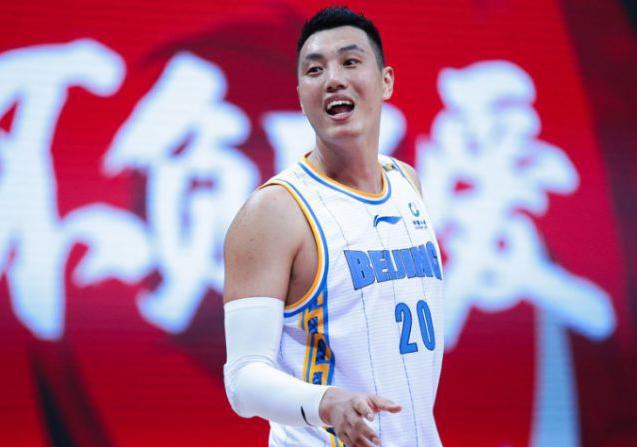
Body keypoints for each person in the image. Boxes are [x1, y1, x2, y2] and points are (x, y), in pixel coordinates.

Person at [223, 6, 444, 447]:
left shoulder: (406, 182)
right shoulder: (275, 211)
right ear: (301, 94)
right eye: (315, 69)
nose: (333, 79)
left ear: (386, 81)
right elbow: (243, 380)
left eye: (350, 61)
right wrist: (326, 402)